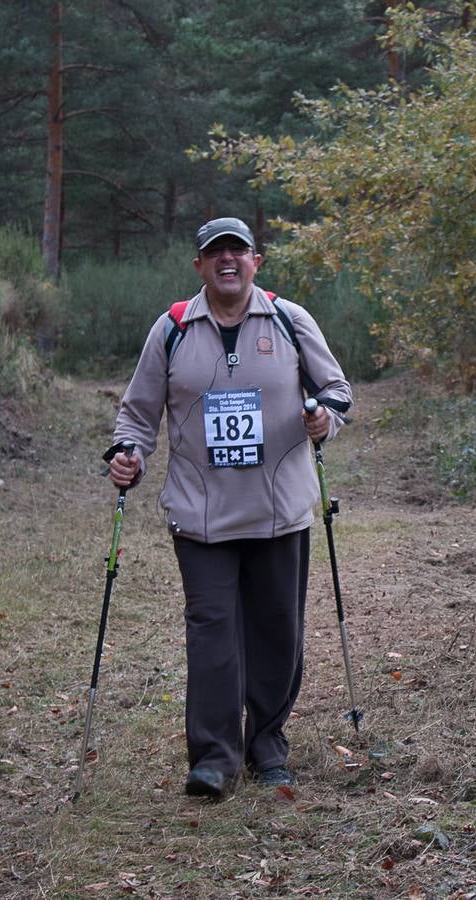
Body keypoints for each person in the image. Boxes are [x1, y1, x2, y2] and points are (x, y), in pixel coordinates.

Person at [106, 216, 352, 797]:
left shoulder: (290, 320)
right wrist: (128, 455)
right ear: (199, 266)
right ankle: (215, 758)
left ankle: (267, 747)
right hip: (201, 516)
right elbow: (137, 416)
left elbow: (337, 391)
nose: (227, 260)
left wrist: (324, 418)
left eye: (237, 251)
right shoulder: (170, 330)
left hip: (280, 511)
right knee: (212, 633)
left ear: (255, 262)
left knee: (276, 632)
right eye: (215, 252)